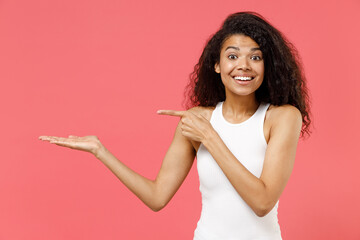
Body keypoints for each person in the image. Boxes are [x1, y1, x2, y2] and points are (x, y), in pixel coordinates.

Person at [39, 11, 311, 240]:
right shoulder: (196, 120)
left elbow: (263, 202)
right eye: (232, 56)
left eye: (255, 57)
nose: (244, 66)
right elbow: (157, 197)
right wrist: (100, 151)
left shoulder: (281, 118)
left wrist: (210, 137)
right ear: (216, 65)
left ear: (268, 66)